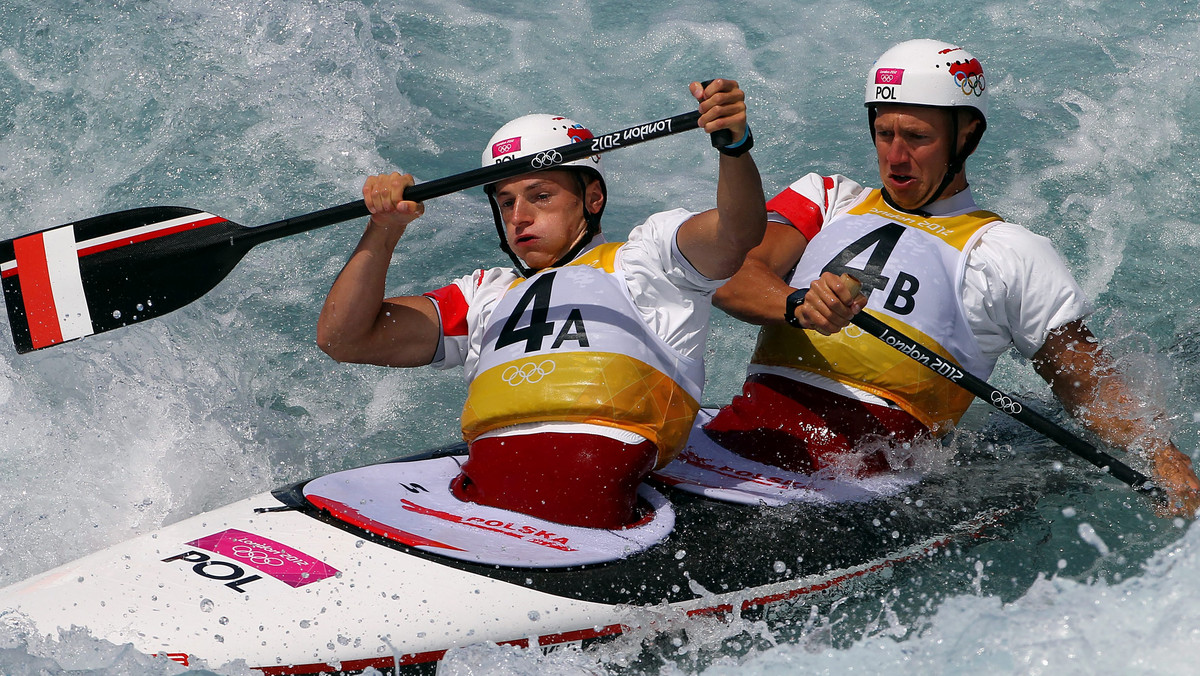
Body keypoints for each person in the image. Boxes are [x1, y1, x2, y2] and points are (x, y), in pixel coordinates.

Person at [706, 39, 1200, 516]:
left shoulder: (1010, 252)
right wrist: (797, 305)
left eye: (918, 138)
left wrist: (1162, 455)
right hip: (741, 435)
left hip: (859, 482)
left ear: (967, 137)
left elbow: (1086, 383)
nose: (896, 157)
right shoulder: (826, 197)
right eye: (884, 134)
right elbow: (729, 273)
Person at [317, 79, 765, 529]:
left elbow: (737, 231)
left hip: (593, 516)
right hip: (479, 506)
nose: (519, 216)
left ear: (593, 198)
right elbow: (345, 338)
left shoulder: (647, 261)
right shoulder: (483, 295)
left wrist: (734, 148)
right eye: (506, 201)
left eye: (540, 196)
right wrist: (384, 228)